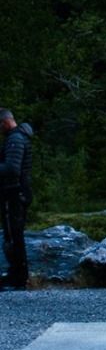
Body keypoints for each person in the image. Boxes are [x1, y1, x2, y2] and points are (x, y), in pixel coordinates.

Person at [0, 109, 30, 290]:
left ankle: (18, 278)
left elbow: (12, 169)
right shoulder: (15, 138)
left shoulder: (16, 139)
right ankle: (15, 274)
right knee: (12, 234)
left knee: (14, 235)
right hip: (15, 192)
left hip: (15, 192)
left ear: (4, 122)